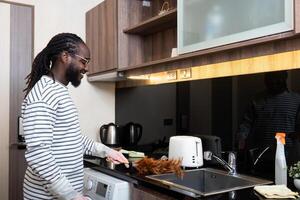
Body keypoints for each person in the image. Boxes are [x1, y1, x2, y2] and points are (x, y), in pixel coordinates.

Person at [21, 33, 128, 200]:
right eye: (84, 61)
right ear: (65, 56)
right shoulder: (44, 94)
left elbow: (71, 138)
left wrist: (106, 151)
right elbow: (38, 154)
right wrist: (71, 196)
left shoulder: (57, 90)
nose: (86, 68)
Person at [236, 71, 300, 171]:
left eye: (277, 78)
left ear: (284, 78)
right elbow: (246, 123)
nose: (274, 82)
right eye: (270, 78)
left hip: (288, 156)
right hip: (261, 155)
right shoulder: (257, 99)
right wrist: (241, 139)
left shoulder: (296, 100)